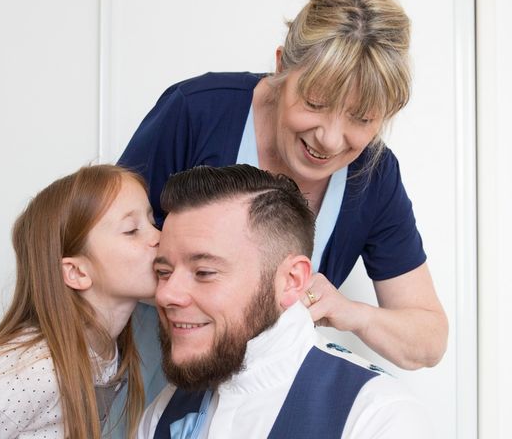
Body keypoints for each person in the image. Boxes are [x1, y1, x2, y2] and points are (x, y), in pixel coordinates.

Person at [119, 0, 447, 370]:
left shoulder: (373, 176)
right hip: (147, 376)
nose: (329, 139)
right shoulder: (197, 112)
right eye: (315, 103)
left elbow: (428, 341)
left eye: (360, 118)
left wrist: (350, 312)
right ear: (280, 67)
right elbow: (96, 247)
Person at [139, 164, 431, 438]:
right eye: (163, 272)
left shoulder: (375, 416)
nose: (166, 295)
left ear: (291, 280)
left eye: (204, 272)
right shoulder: (164, 411)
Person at [0, 165, 165, 439]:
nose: (159, 238)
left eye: (152, 222)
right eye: (132, 230)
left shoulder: (106, 353)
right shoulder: (34, 371)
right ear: (76, 272)